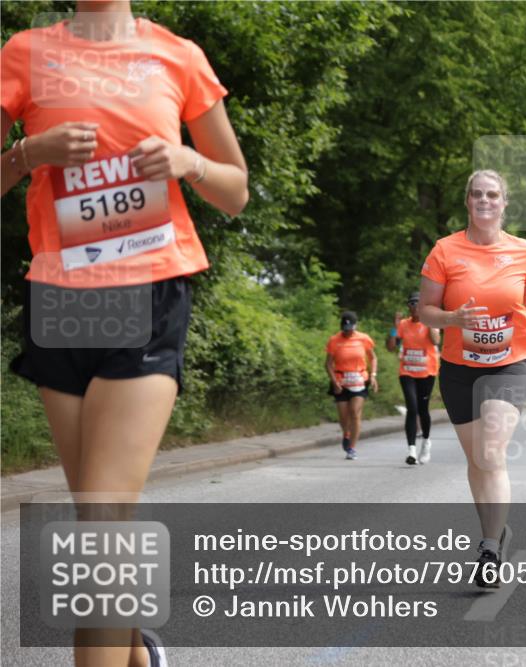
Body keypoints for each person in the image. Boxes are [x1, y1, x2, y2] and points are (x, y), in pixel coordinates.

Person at [2, 4, 248, 665]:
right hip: (61, 299)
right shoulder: (24, 53)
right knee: (96, 531)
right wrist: (29, 154)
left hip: (148, 289)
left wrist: (185, 162)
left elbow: (237, 190)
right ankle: (140, 654)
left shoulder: (178, 56)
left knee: (105, 528)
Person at [418, 169, 526, 588]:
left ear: (504, 203)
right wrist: (452, 318)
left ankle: (489, 547)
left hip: (510, 362)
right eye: (477, 194)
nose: (485, 201)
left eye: (493, 195)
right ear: (468, 202)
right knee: (477, 460)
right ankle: (496, 533)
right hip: (459, 367)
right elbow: (425, 310)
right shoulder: (445, 250)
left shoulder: (522, 251)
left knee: (492, 451)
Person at [388, 293, 439, 465]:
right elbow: (391, 347)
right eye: (412, 304)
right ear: (408, 307)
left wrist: (430, 322)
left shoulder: (430, 322)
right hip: (407, 372)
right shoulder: (403, 324)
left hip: (427, 372)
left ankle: (426, 442)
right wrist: (394, 327)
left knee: (423, 409)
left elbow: (435, 341)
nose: (415, 307)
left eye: (418, 303)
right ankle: (411, 450)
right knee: (412, 407)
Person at [327, 311, 378, 460]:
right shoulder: (334, 340)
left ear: (355, 326)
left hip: (359, 380)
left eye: (350, 329)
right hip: (341, 382)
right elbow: (328, 363)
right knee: (343, 416)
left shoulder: (364, 339)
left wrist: (373, 376)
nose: (347, 332)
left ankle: (352, 448)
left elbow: (373, 358)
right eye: (345, 329)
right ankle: (346, 433)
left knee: (354, 413)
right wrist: (334, 381)